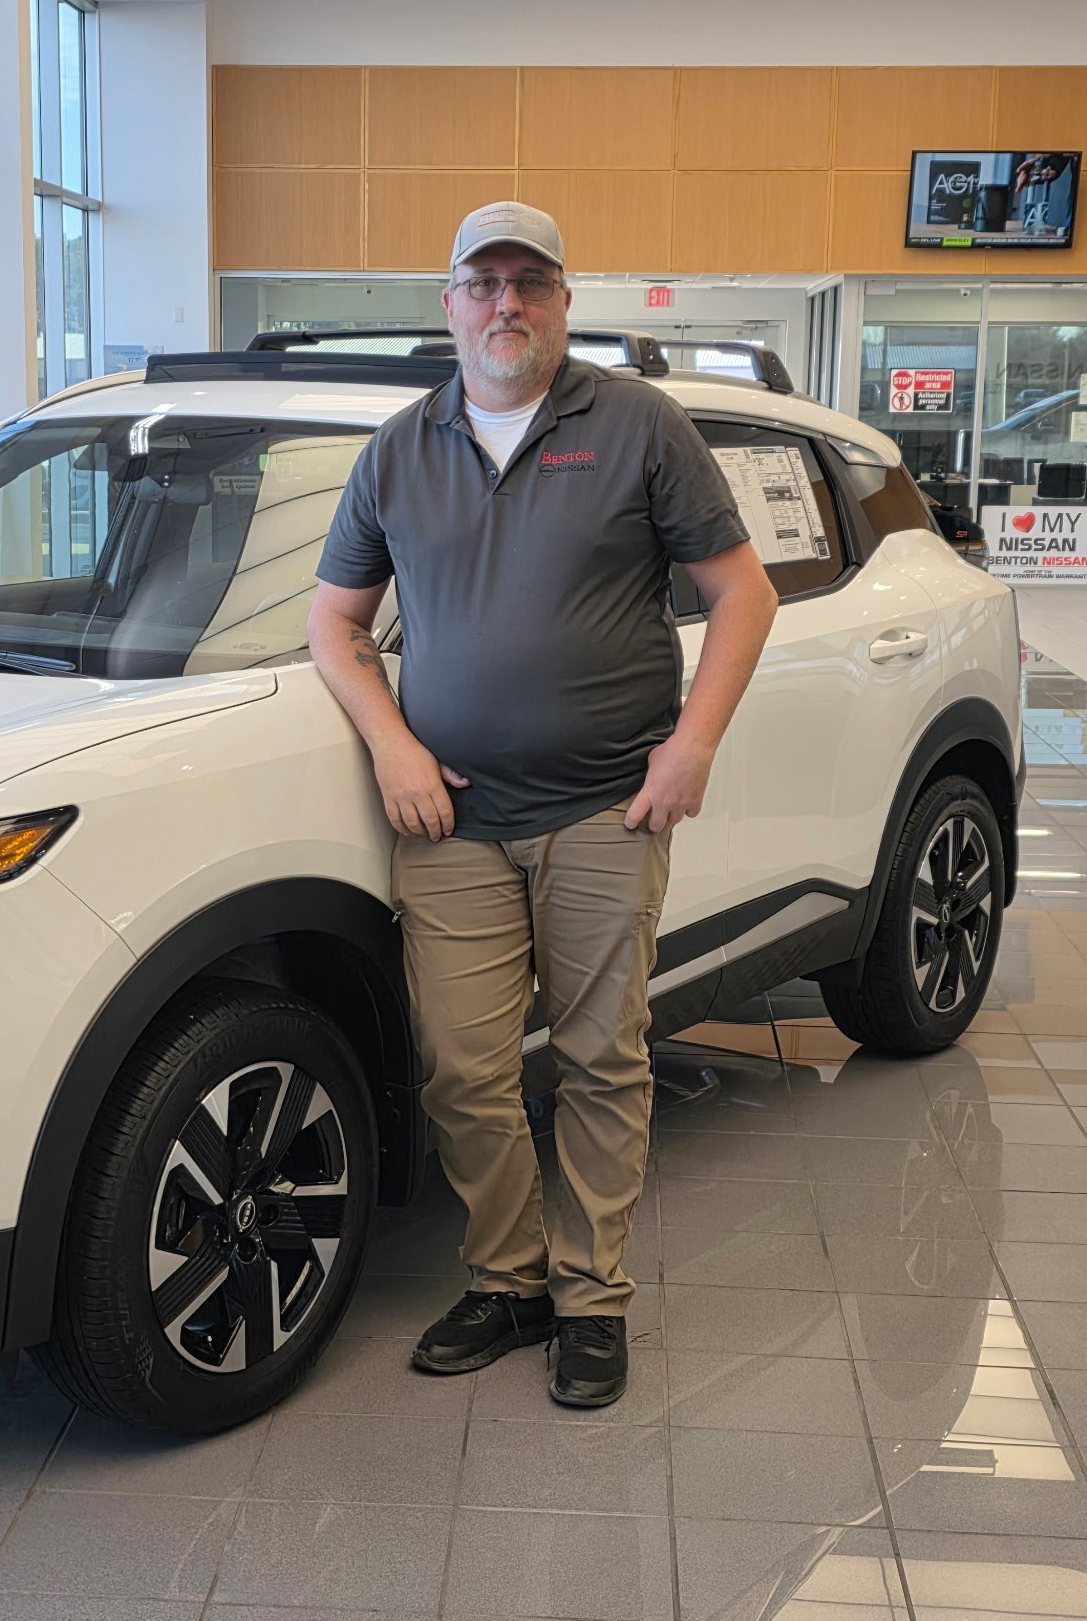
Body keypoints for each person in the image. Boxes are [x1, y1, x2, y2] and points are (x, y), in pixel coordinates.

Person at [308, 202, 777, 1407]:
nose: (505, 303)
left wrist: (692, 746)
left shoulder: (636, 426)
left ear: (563, 302)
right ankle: (507, 1280)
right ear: (450, 302)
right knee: (462, 1072)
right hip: (450, 820)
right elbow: (335, 622)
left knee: (599, 1060)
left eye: (530, 281)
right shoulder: (399, 448)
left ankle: (590, 1297)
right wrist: (394, 747)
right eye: (483, 282)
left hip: (604, 806)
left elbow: (743, 596)